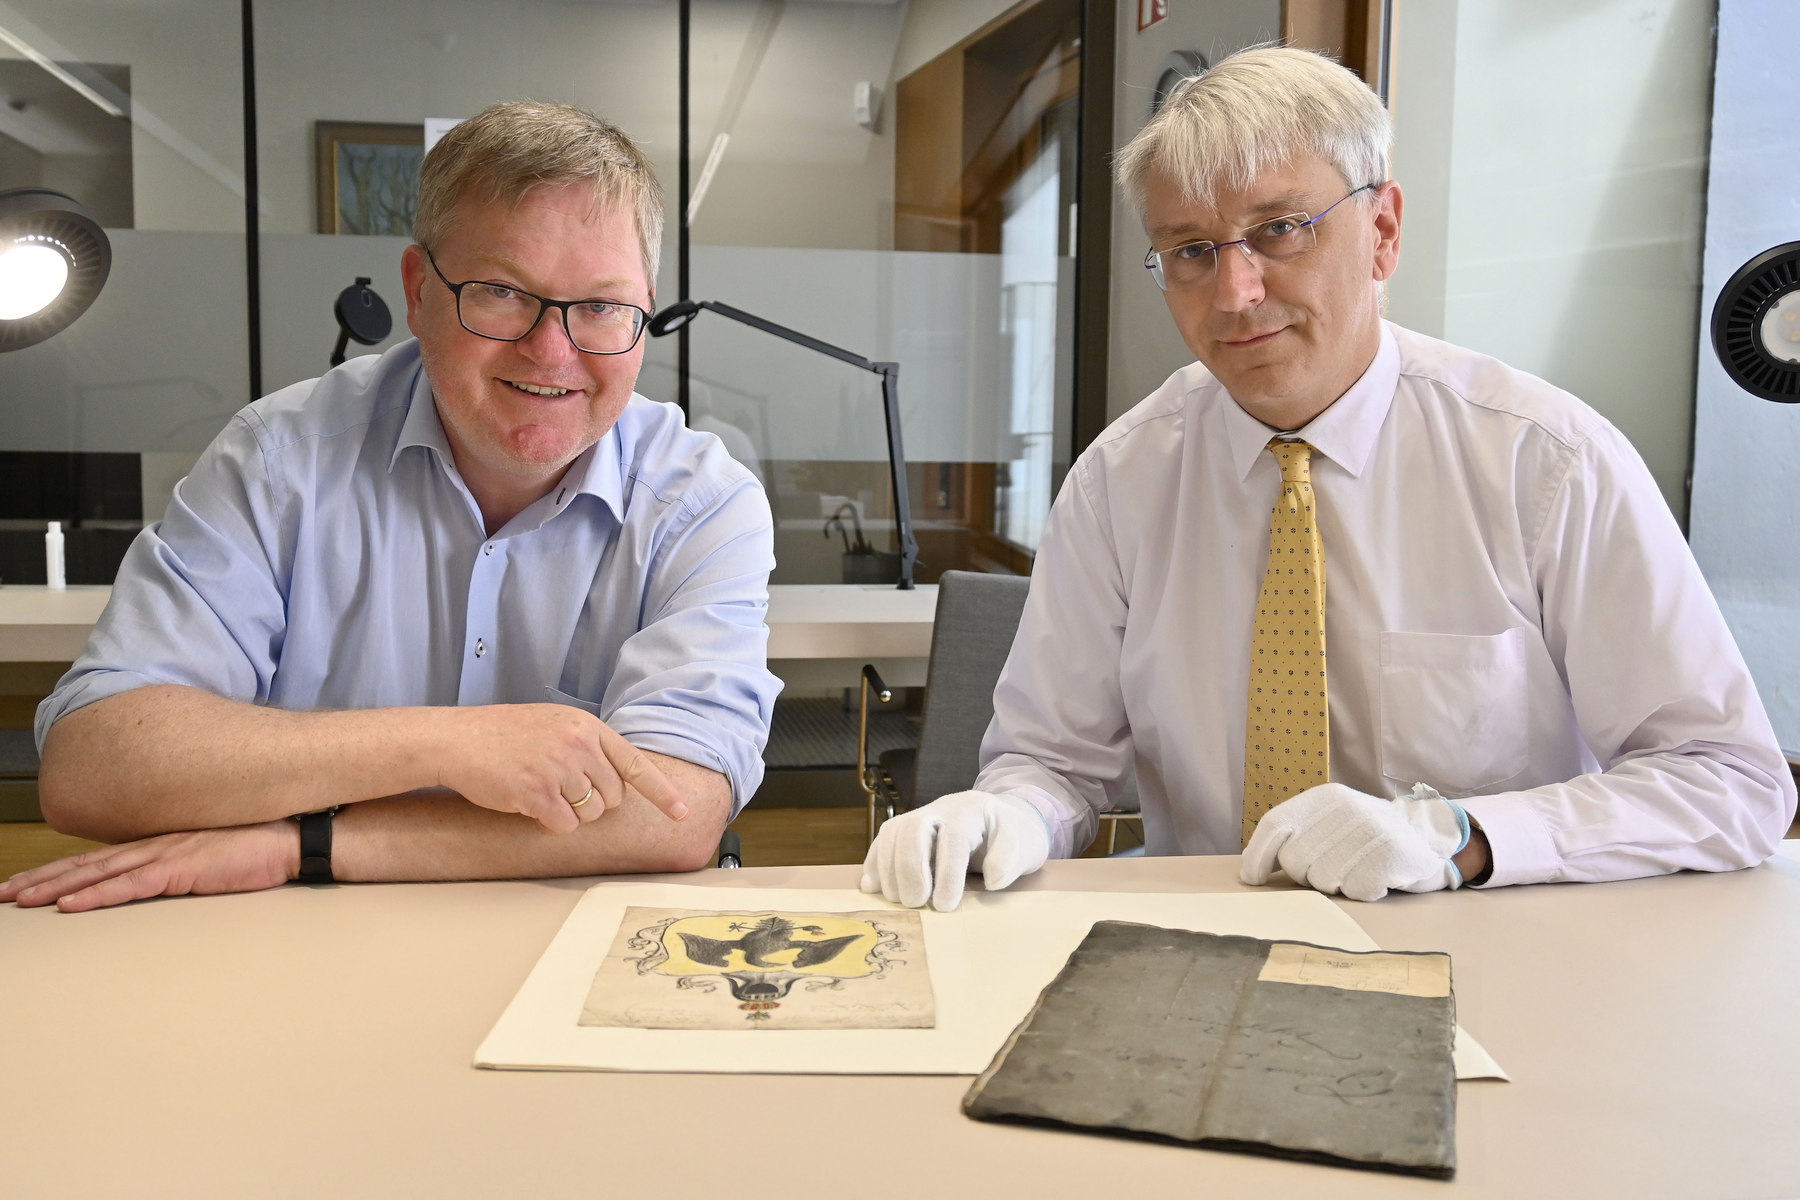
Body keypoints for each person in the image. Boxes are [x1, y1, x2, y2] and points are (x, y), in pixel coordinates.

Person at [861, 47, 1796, 911]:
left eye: (1280, 230)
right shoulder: (1121, 482)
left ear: (1382, 231)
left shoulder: (1543, 461)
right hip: (1203, 949)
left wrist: (1461, 835)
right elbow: (1053, 762)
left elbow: (1729, 778)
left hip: (1491, 944)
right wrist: (1007, 814)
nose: (1235, 292)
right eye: (1191, 251)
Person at [3, 102, 780, 913]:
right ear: (418, 291)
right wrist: (447, 743)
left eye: (601, 307)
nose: (553, 351)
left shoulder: (702, 501)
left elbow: (676, 813)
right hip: (303, 956)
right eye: (501, 293)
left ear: (643, 315)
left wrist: (301, 844)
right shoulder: (281, 458)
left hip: (567, 943)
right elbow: (92, 767)